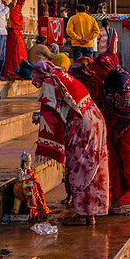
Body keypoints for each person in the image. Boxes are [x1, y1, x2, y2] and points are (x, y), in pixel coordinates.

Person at [31, 59, 109, 225]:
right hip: (96, 120)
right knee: (92, 167)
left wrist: (41, 119)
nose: (34, 81)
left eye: (35, 77)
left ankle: (82, 215)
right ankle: (91, 214)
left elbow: (51, 114)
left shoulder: (50, 81)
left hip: (82, 126)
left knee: (78, 167)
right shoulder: (63, 76)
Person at [94, 53, 130, 216]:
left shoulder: (121, 79)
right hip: (116, 128)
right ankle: (115, 203)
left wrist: (117, 131)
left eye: (98, 70)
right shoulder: (111, 78)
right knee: (114, 165)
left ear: (106, 68)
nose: (97, 73)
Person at [2, 0, 30, 78]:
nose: (21, 7)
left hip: (17, 34)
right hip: (13, 34)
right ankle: (15, 69)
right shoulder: (13, 10)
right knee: (14, 52)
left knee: (18, 52)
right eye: (21, 5)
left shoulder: (17, 11)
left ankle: (20, 69)